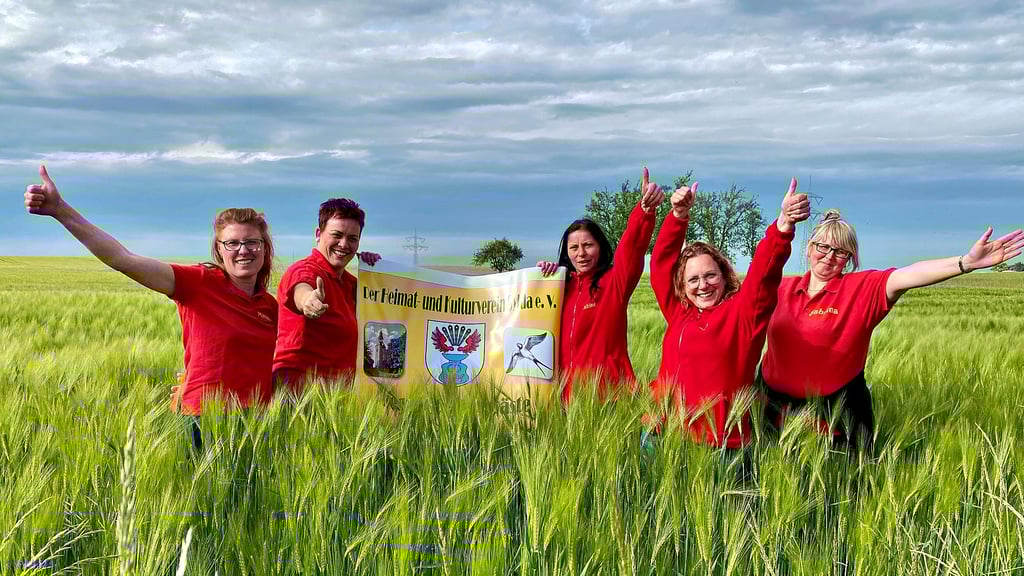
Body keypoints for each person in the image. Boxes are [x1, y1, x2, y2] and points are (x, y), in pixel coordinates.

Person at [23, 166, 278, 439]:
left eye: (252, 242)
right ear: (219, 249)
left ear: (264, 246)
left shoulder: (270, 306)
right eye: (232, 243)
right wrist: (61, 211)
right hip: (204, 419)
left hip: (256, 422)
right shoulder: (199, 283)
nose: (243, 250)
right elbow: (123, 259)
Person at [760, 209, 1024, 450]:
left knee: (844, 495)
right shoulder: (780, 289)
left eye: (840, 252)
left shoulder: (861, 289)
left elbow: (908, 274)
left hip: (840, 417)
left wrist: (965, 262)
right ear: (809, 248)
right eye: (823, 247)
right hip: (773, 412)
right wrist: (783, 224)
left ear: (850, 259)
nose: (829, 256)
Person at [649, 178, 810, 448]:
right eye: (693, 279)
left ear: (724, 277)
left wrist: (783, 227)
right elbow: (661, 265)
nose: (703, 285)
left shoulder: (743, 315)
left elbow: (763, 275)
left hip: (720, 443)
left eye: (710, 275)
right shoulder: (679, 311)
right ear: (682, 285)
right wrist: (678, 216)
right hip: (663, 435)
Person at [537, 167, 665, 403]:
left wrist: (644, 212)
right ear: (566, 252)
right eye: (574, 248)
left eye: (588, 245)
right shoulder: (557, 289)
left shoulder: (615, 282)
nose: (581, 253)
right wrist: (540, 278)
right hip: (563, 400)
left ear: (601, 247)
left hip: (610, 397)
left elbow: (633, 247)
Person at [273, 198, 380, 392]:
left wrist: (378, 273)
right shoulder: (305, 270)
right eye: (336, 235)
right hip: (297, 391)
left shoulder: (351, 284)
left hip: (336, 395)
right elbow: (301, 289)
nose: (343, 244)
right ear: (318, 234)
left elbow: (384, 311)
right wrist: (308, 301)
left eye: (352, 238)